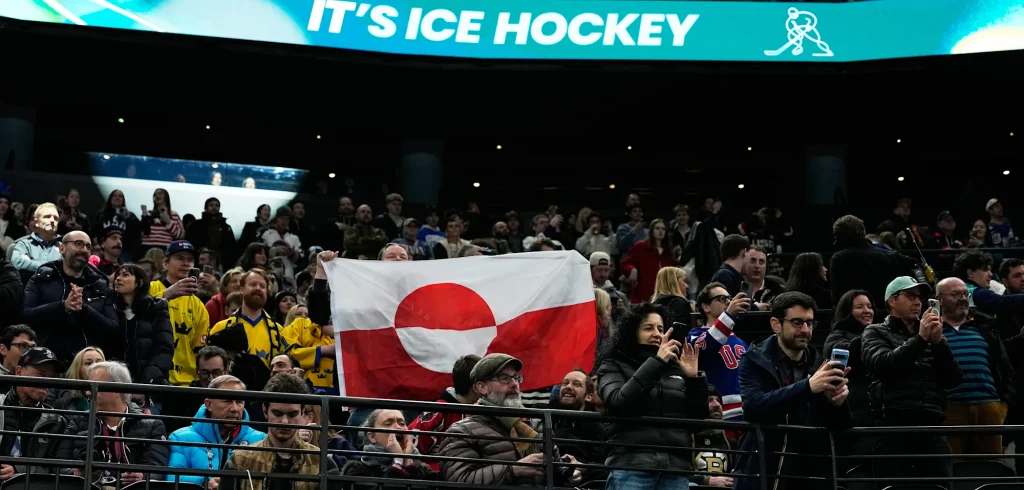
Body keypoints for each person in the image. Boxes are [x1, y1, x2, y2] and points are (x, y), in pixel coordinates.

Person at [596, 303, 709, 490]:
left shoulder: (675, 368)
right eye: (648, 328)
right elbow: (618, 403)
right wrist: (657, 362)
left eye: (661, 329)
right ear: (632, 332)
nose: (657, 333)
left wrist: (693, 379)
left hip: (675, 469)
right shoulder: (613, 364)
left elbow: (697, 421)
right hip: (631, 465)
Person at [219, 373, 339, 490]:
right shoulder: (239, 461)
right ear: (265, 411)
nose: (284, 421)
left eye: (292, 414)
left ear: (302, 412)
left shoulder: (323, 463)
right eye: (277, 413)